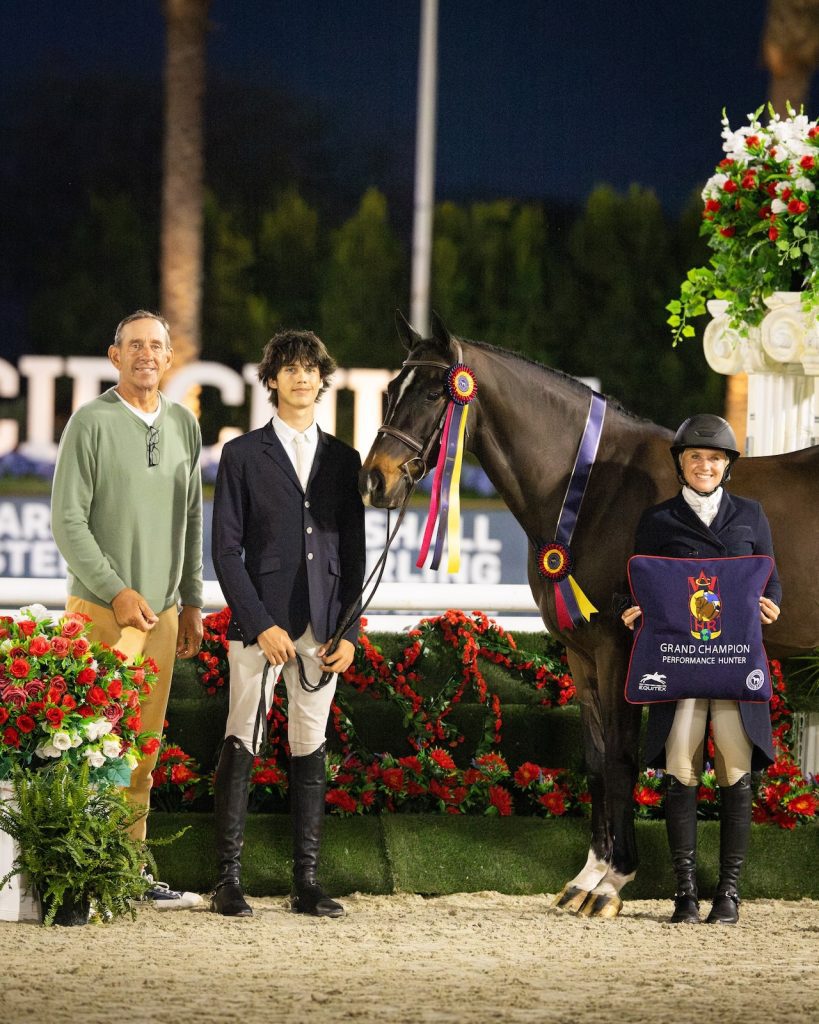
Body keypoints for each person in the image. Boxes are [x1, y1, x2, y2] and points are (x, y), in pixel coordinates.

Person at [51, 309, 204, 909]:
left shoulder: (185, 427)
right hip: (98, 612)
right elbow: (68, 523)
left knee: (141, 748)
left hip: (162, 618)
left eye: (156, 346)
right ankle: (73, 868)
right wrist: (116, 590)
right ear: (113, 356)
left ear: (169, 360)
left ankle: (126, 869)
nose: (145, 354)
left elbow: (192, 519)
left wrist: (191, 600)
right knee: (86, 746)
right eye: (133, 345)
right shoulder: (89, 422)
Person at [211, 329, 365, 919]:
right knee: (241, 738)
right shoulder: (243, 455)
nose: (303, 377)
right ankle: (228, 879)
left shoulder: (344, 459)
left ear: (321, 380)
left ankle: (307, 882)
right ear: (271, 379)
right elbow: (226, 552)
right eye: (291, 368)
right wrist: (259, 624)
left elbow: (353, 558)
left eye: (311, 369)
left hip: (323, 629)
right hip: (262, 627)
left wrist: (348, 634)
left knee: (310, 746)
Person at [622, 414, 781, 925]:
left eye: (714, 458)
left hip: (734, 666)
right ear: (681, 464)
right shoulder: (658, 520)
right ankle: (685, 892)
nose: (705, 465)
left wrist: (770, 604)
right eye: (696, 457)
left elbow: (770, 579)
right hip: (683, 667)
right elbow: (639, 580)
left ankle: (729, 894)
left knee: (735, 772)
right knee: (682, 770)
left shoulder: (751, 516)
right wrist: (632, 605)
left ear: (727, 466)